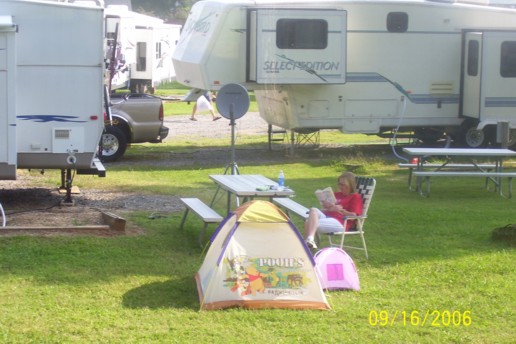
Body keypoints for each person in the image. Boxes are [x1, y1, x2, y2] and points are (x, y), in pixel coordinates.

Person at [304, 171, 363, 249]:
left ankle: (306, 245)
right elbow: (327, 210)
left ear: (350, 185)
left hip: (341, 221)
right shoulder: (336, 194)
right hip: (328, 217)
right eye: (339, 183)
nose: (340, 186)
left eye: (343, 184)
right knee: (313, 210)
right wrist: (328, 208)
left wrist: (340, 210)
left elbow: (354, 216)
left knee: (308, 223)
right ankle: (310, 241)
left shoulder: (355, 197)